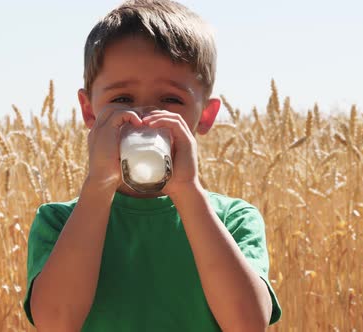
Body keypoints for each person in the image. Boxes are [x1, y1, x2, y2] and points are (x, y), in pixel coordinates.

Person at [23, 0, 281, 330]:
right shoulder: (58, 222)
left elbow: (248, 324)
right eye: (121, 100)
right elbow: (56, 322)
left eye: (171, 100)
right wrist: (98, 186)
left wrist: (188, 191)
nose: (144, 118)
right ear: (89, 111)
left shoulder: (233, 220)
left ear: (205, 115)